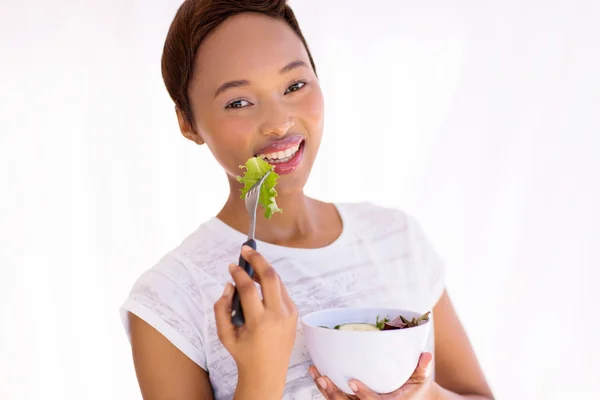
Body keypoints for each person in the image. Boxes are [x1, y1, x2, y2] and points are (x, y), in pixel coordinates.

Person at [120, 1, 495, 399]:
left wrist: (426, 396)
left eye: (294, 86)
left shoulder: (397, 238)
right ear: (188, 122)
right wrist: (261, 371)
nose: (279, 121)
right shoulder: (169, 298)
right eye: (239, 102)